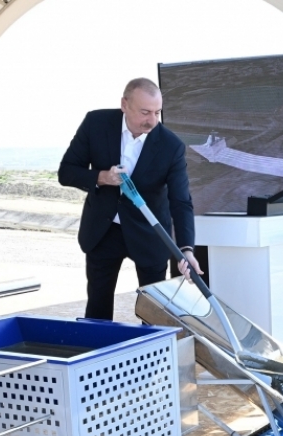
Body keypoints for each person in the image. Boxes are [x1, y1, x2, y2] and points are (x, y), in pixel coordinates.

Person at [58, 77, 202, 320]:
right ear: (124, 104)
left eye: (157, 112)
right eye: (145, 112)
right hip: (103, 230)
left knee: (154, 311)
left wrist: (186, 249)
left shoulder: (172, 146)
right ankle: (98, 354)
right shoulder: (96, 123)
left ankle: (152, 356)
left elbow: (181, 201)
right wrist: (103, 177)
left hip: (150, 233)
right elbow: (67, 171)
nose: (152, 120)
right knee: (98, 307)